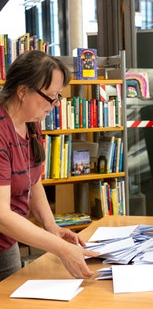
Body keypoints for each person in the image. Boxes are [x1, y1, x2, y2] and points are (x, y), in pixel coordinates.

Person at [0, 50, 99, 281]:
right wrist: (61, 248)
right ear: (22, 91)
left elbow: (33, 183)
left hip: (6, 243)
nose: (54, 105)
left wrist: (52, 227)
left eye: (58, 97)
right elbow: (2, 215)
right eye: (49, 98)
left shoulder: (31, 123)